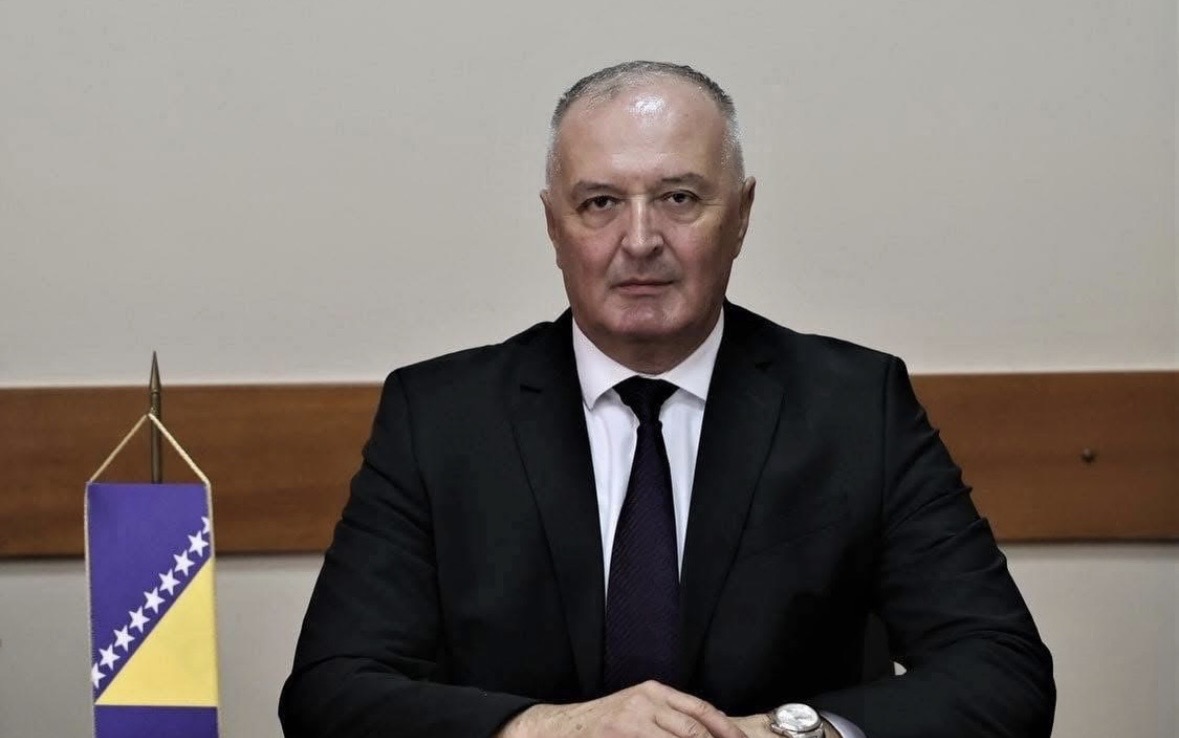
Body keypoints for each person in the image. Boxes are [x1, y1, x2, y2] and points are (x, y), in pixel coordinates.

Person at [279, 61, 1055, 738]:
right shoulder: (440, 418)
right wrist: (545, 729)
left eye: (679, 197)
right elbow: (330, 691)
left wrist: (781, 736)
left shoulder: (855, 408)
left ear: (741, 215)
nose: (641, 239)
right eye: (599, 203)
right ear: (553, 226)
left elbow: (1001, 671)